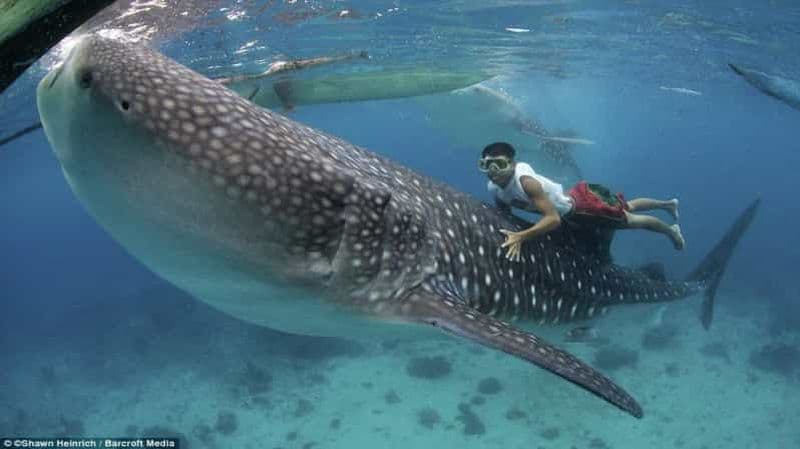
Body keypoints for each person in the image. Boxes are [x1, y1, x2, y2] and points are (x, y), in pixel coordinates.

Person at [479, 142, 684, 261]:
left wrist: (522, 236)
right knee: (626, 206)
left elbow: (553, 220)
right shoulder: (494, 188)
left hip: (585, 210)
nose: (493, 171)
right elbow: (505, 214)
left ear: (512, 164)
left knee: (634, 221)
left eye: (499, 164)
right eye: (487, 165)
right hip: (570, 200)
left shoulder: (526, 183)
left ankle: (671, 230)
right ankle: (667, 204)